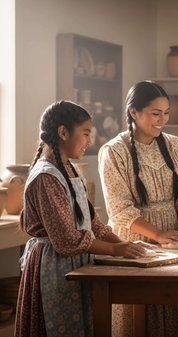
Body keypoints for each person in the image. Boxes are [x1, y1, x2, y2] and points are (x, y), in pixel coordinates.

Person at [15, 101, 148, 337]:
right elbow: (66, 240)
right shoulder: (46, 177)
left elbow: (93, 223)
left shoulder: (70, 169)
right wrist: (116, 252)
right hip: (53, 267)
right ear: (63, 132)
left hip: (76, 264)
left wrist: (123, 244)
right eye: (86, 134)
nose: (89, 141)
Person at [98, 80, 178, 337]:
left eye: (166, 113)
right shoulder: (114, 151)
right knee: (140, 315)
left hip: (173, 237)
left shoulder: (174, 144)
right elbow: (119, 208)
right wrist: (157, 235)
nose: (163, 119)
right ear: (134, 112)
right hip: (134, 240)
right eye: (156, 113)